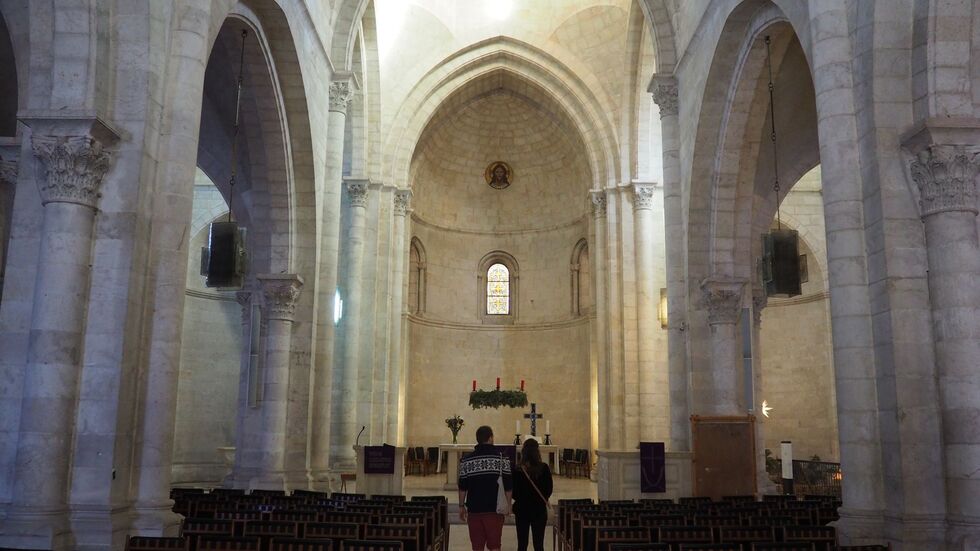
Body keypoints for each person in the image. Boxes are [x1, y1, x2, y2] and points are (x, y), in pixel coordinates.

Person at [458, 425, 512, 551]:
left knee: (477, 546)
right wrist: (509, 505)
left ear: (478, 439)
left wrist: (461, 506)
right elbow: (509, 486)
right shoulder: (502, 458)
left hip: (474, 509)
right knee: (495, 546)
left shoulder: (466, 460)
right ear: (491, 438)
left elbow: (462, 487)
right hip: (495, 510)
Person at [512, 438, 553, 551]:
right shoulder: (544, 468)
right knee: (539, 545)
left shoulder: (517, 469)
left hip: (521, 509)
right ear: (537, 451)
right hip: (539, 510)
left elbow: (513, 492)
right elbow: (549, 489)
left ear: (523, 451)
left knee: (522, 544)